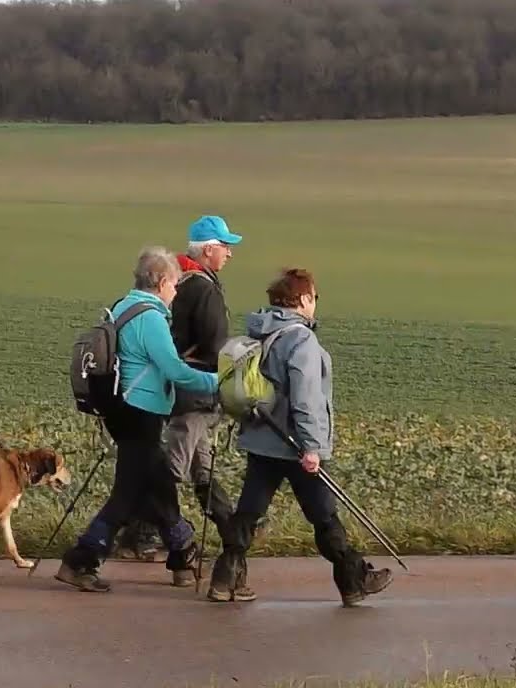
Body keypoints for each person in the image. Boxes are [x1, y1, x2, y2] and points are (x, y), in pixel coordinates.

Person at [207, 268, 394, 606]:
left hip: (261, 439)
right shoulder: (301, 340)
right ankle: (354, 580)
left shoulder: (261, 332)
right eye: (314, 298)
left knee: (249, 512)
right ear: (304, 299)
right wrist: (312, 447)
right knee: (324, 514)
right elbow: (307, 398)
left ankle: (225, 578)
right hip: (294, 446)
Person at [55, 246, 220, 593]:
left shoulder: (122, 306)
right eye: (174, 284)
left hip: (119, 409)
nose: (176, 292)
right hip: (140, 413)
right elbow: (175, 370)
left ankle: (182, 553)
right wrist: (218, 383)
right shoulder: (150, 317)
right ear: (161, 282)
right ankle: (81, 559)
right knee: (128, 493)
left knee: (158, 483)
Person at [112, 215, 255, 561]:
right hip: (194, 393)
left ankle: (231, 528)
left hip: (182, 391)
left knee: (201, 465)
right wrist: (224, 381)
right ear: (208, 250)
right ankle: (142, 534)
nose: (230, 254)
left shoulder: (182, 281)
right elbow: (216, 345)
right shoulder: (202, 287)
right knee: (172, 468)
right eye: (225, 247)